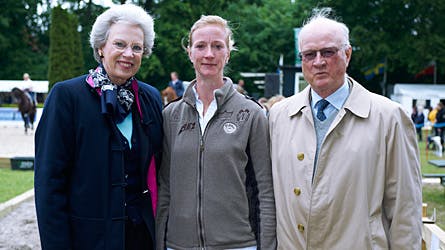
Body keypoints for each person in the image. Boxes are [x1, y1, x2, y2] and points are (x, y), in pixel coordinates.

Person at [268, 8, 422, 249]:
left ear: (347, 54)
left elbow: (405, 208)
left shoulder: (389, 117)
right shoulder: (278, 116)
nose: (318, 62)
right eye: (309, 54)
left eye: (328, 52)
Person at [34, 4, 162, 250]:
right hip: (87, 239)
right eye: (120, 44)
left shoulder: (150, 97)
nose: (129, 53)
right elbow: (50, 184)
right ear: (101, 48)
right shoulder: (67, 97)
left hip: (141, 238)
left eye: (137, 47)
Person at [156, 15, 276, 250]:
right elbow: (165, 188)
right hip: (179, 245)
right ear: (190, 52)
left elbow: (265, 190)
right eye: (200, 46)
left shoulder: (251, 113)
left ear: (228, 53)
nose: (208, 54)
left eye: (217, 46)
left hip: (238, 244)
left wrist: (267, 245)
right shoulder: (171, 116)